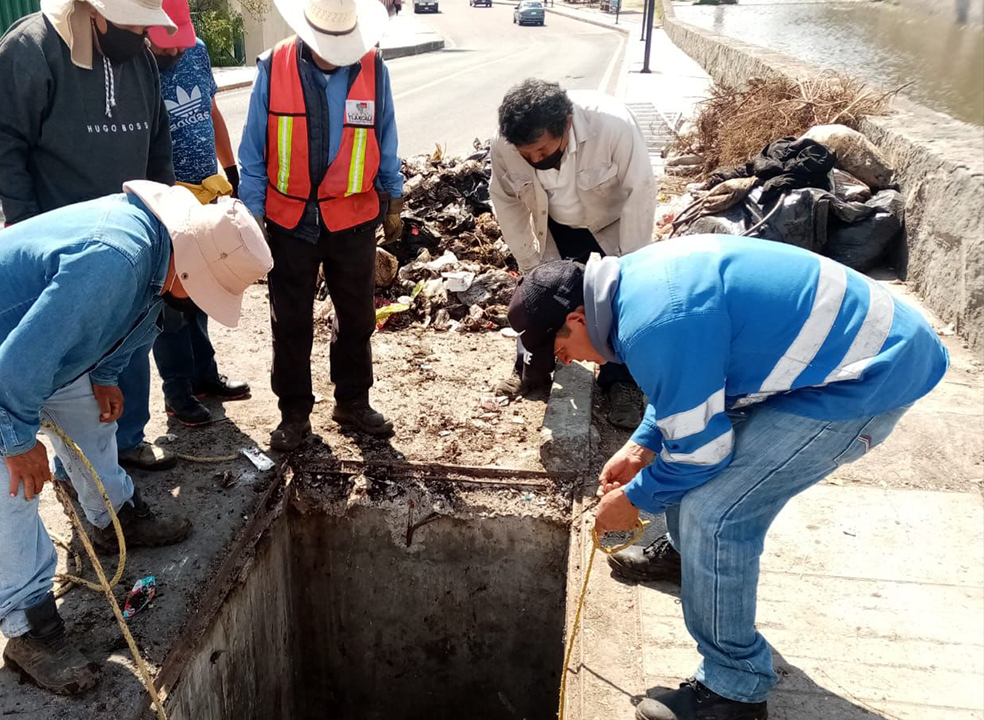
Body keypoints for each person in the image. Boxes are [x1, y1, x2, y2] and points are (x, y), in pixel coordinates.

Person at [508, 235, 949, 720]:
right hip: (847, 353)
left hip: (871, 373)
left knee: (714, 514)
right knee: (680, 471)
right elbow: (690, 380)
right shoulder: (634, 288)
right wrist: (642, 444)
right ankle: (687, 556)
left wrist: (634, 500)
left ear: (575, 318)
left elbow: (702, 452)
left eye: (562, 350)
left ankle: (732, 692)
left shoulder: (657, 320)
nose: (568, 362)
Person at [0, 183, 273, 695]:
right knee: (10, 482)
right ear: (191, 266)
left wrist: (106, 374)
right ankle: (27, 626)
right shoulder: (113, 259)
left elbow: (136, 321)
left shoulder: (159, 254)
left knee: (94, 419)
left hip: (27, 345)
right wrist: (16, 439)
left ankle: (112, 517)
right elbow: (20, 361)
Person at [0, 0, 180, 471]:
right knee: (72, 353)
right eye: (134, 22)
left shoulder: (140, 59)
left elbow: (157, 143)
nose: (142, 33)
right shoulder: (32, 48)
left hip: (133, 236)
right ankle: (81, 465)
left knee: (130, 339)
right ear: (94, 12)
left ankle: (127, 439)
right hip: (62, 245)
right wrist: (24, 224)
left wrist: (164, 211)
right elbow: (1, 140)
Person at [237, 0, 405, 451]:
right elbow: (252, 151)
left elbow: (385, 136)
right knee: (290, 322)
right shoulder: (275, 67)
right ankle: (294, 414)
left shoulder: (373, 68)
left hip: (352, 218)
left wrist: (394, 197)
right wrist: (252, 212)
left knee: (356, 317)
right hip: (290, 220)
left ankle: (352, 400)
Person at [490, 79, 656, 429]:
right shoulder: (504, 147)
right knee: (539, 301)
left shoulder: (613, 126)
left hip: (611, 228)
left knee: (617, 306)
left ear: (566, 123)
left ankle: (620, 382)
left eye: (543, 150)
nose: (537, 160)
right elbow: (506, 202)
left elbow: (640, 194)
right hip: (552, 227)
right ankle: (531, 373)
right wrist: (531, 264)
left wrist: (630, 267)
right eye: (527, 155)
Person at [145, 0, 251, 426]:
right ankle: (178, 392)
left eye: (178, 43)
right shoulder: (135, 66)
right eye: (163, 44)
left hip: (205, 195)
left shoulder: (197, 51)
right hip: (165, 202)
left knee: (202, 292)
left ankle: (204, 376)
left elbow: (210, 113)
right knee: (171, 300)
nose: (172, 52)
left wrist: (230, 170)